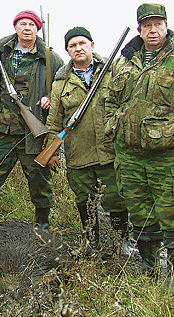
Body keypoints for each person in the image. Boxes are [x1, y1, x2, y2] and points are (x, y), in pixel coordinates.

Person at [105, 3, 174, 293]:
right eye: (146, 26)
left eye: (157, 25)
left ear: (166, 26)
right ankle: (149, 266)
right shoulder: (125, 60)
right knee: (140, 212)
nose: (152, 30)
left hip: (169, 156)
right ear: (139, 29)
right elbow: (110, 100)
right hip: (130, 155)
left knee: (173, 213)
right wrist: (113, 129)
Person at [0, 10, 64, 231]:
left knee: (39, 181)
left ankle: (42, 225)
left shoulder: (50, 57)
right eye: (22, 24)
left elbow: (61, 86)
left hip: (33, 134)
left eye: (32, 24)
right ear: (15, 28)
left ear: (38, 29)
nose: (27, 28)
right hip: (2, 133)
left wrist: (49, 97)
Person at [46, 27, 131, 255]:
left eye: (82, 43)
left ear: (92, 45)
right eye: (72, 46)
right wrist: (51, 151)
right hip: (78, 153)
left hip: (109, 151)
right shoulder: (60, 83)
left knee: (116, 199)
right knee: (84, 200)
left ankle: (119, 242)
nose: (78, 48)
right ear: (67, 51)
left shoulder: (112, 72)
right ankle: (90, 243)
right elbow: (54, 120)